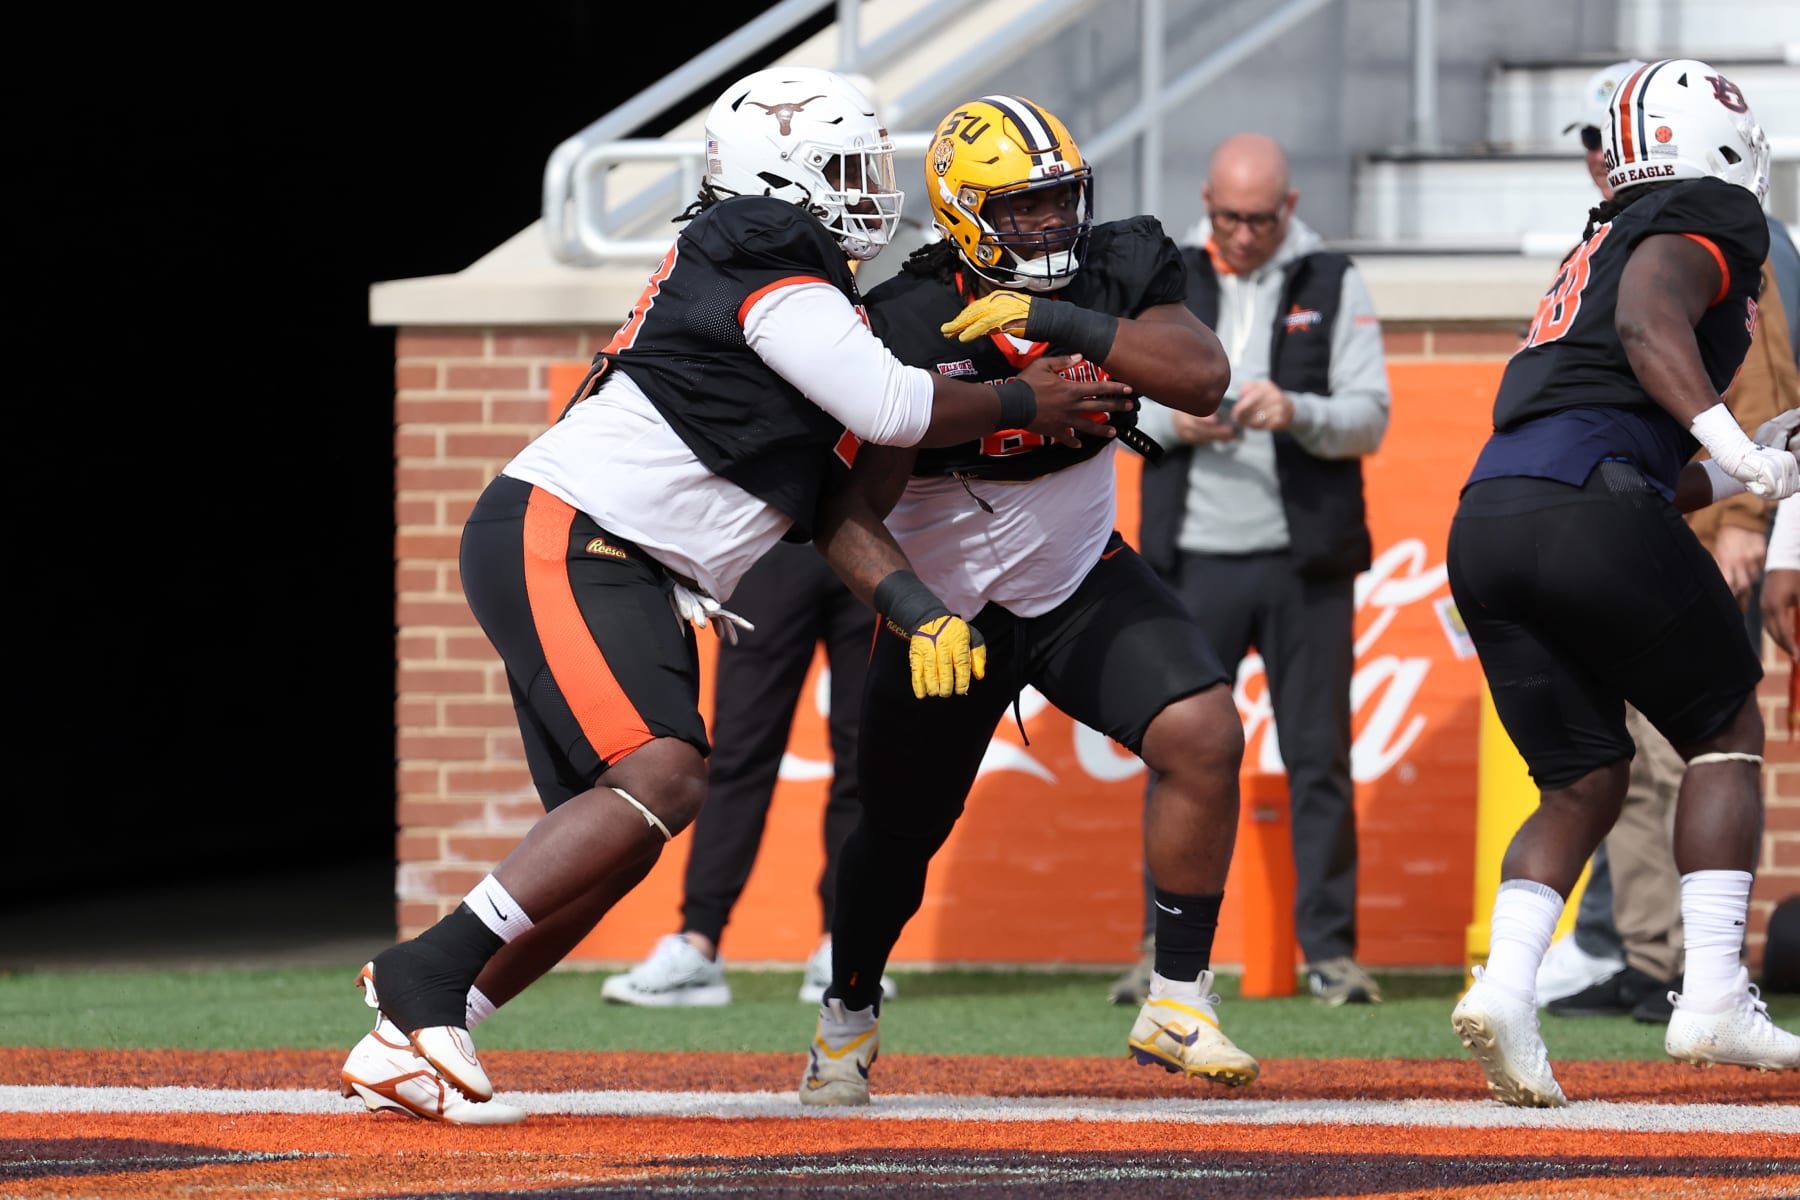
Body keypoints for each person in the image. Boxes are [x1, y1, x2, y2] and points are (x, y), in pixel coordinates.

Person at [336, 66, 1135, 1125]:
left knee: (617, 834)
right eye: (845, 167)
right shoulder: (763, 250)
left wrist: (913, 602)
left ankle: (417, 1037)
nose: (868, 189)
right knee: (664, 776)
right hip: (575, 534)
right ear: (780, 175)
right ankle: (422, 978)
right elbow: (893, 407)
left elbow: (843, 490)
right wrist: (1024, 397)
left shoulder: (792, 276)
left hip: (624, 558)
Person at [795, 93, 1258, 1109]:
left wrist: (1058, 318)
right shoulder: (904, 320)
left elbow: (1202, 379)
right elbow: (847, 510)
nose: (1049, 224)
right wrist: (918, 604)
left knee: (1204, 732)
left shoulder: (1116, 266)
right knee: (898, 838)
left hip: (1079, 576)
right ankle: (849, 1009)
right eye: (1020, 207)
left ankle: (1177, 997)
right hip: (948, 608)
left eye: (1059, 200)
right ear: (965, 213)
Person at [1447, 58, 1800, 1107]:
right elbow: (1650, 325)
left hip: (1491, 515)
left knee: (1585, 776)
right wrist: (1738, 450)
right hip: (1584, 511)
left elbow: (1620, 449)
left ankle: (1506, 988)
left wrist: (1749, 460)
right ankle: (1714, 995)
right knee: (1725, 725)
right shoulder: (1704, 216)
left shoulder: (1602, 236)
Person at [1538, 61, 1800, 1026]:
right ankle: (1653, 956)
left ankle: (1696, 963)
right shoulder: (1625, 232)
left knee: (1695, 746)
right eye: (1590, 142)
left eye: (1608, 141)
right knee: (1639, 754)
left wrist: (1742, 523)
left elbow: (1762, 385)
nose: (1597, 159)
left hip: (1694, 519)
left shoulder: (1720, 231)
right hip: (1624, 520)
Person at [1119, 132, 1392, 1008]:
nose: (1242, 235)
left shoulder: (1334, 279)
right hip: (1189, 559)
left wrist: (1297, 410)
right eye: (1230, 217)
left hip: (1306, 561)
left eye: (1261, 219)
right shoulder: (1165, 277)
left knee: (1320, 758)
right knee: (1178, 755)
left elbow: (1371, 417)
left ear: (1291, 209)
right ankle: (1161, 951)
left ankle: (1331, 953)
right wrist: (1175, 423)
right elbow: (1114, 411)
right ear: (1207, 203)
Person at [598, 540, 896, 1007]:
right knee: (739, 754)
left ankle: (844, 948)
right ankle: (699, 942)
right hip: (774, 543)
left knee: (866, 760)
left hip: (875, 546)